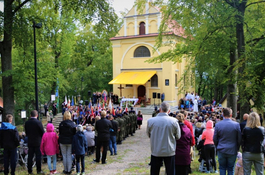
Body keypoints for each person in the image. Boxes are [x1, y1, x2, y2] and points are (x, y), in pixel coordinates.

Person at [146, 102, 181, 175]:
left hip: (156, 150)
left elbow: (148, 134)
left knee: (154, 172)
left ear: (160, 109)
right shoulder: (174, 121)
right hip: (169, 150)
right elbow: (178, 136)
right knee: (170, 172)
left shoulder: (151, 121)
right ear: (169, 110)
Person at [213, 108, 241, 175]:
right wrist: (237, 147)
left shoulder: (218, 125)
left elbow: (214, 138)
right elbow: (239, 138)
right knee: (231, 169)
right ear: (231, 115)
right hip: (232, 149)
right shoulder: (236, 125)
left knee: (222, 168)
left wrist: (218, 145)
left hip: (221, 149)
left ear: (223, 114)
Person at [25, 110, 45, 174]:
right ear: (37, 115)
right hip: (38, 141)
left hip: (30, 141)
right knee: (38, 156)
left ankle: (29, 170)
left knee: (30, 156)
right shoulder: (38, 122)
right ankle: (38, 170)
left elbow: (26, 132)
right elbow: (42, 132)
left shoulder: (27, 123)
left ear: (30, 115)